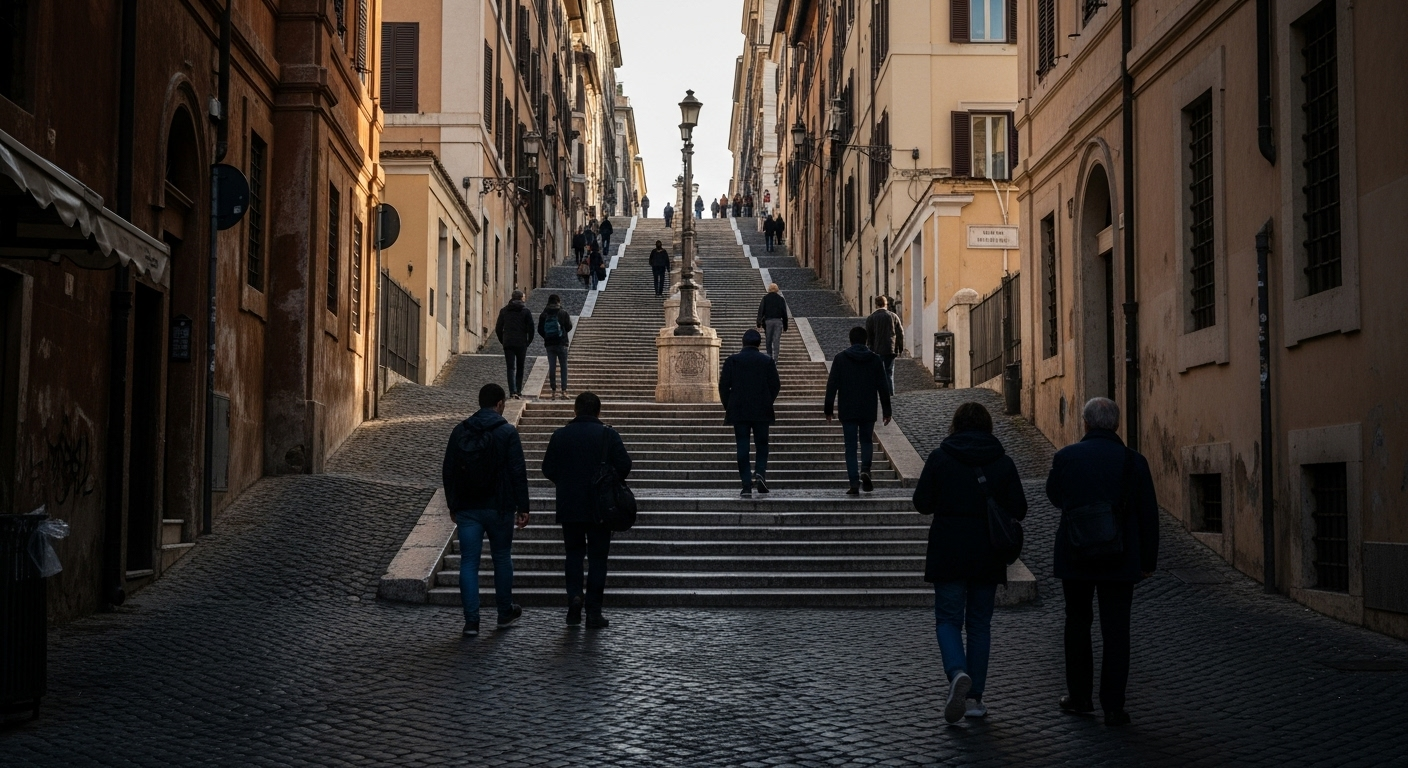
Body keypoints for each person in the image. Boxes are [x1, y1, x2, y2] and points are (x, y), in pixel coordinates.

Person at [912, 402, 1029, 723]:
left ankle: (957, 672)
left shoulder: (940, 458)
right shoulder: (1002, 462)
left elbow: (921, 502)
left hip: (948, 548)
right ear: (988, 426)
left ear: (955, 425)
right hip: (987, 553)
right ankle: (975, 698)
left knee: (948, 620)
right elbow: (1019, 508)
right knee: (979, 624)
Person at [1046, 397, 1160, 727]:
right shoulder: (1133, 461)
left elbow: (1056, 498)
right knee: (1116, 631)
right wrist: (1148, 560)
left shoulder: (1066, 457)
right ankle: (1113, 706)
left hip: (1076, 553)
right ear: (1117, 425)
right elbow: (1148, 515)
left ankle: (1079, 698)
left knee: (1077, 624)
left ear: (1086, 423)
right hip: (1120, 556)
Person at [442, 383, 530, 637]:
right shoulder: (507, 432)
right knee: (502, 557)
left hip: (468, 507)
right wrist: (522, 506)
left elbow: (448, 471)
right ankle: (504, 612)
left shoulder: (460, 431)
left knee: (468, 563)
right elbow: (517, 471)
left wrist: (453, 504)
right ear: (500, 404)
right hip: (500, 507)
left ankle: (471, 621)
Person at [541, 392, 632, 628]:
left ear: (575, 410)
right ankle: (593, 611)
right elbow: (625, 465)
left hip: (570, 504)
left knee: (573, 554)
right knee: (598, 559)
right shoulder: (608, 435)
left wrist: (566, 482)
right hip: (600, 507)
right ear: (598, 412)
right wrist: (608, 479)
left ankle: (574, 598)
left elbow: (547, 468)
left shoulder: (560, 435)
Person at [824, 326, 892, 495]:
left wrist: (828, 409)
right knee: (867, 441)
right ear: (866, 341)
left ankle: (854, 482)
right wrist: (887, 410)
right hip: (868, 408)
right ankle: (866, 470)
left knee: (850, 446)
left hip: (848, 409)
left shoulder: (840, 359)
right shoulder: (875, 360)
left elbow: (832, 385)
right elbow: (883, 387)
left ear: (850, 340)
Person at [719, 329, 781, 496]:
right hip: (762, 410)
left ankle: (746, 483)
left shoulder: (732, 361)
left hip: (739, 410)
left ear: (743, 342)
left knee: (742, 446)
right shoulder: (767, 361)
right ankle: (760, 472)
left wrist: (729, 406)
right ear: (759, 344)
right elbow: (775, 385)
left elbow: (723, 387)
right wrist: (767, 401)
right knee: (762, 444)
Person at [494, 289, 534, 399]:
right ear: (521, 298)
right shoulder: (526, 311)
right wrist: (528, 341)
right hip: (521, 343)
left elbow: (498, 328)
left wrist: (503, 340)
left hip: (508, 342)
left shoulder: (504, 311)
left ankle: (512, 391)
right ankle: (518, 390)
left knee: (510, 368)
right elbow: (531, 329)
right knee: (520, 367)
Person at [865, 296, 905, 396]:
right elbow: (900, 333)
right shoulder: (893, 316)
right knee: (889, 373)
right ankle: (890, 395)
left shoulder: (871, 318)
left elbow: (869, 336)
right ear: (885, 304)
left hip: (876, 349)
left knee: (875, 373)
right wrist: (900, 348)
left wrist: (869, 348)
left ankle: (876, 395)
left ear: (876, 305)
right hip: (890, 348)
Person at [538, 295, 573, 400]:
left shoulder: (544, 314)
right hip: (562, 343)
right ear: (559, 301)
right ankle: (564, 391)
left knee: (552, 367)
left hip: (549, 344)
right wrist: (562, 332)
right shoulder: (563, 313)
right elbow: (569, 327)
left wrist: (547, 336)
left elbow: (540, 329)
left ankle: (553, 391)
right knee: (563, 367)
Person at [756, 283, 789, 360]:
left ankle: (769, 357)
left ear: (769, 289)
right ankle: (775, 359)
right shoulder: (781, 299)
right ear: (777, 289)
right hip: (778, 321)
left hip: (768, 321)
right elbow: (784, 313)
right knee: (776, 340)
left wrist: (758, 323)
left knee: (768, 340)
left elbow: (761, 311)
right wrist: (785, 326)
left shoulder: (765, 298)